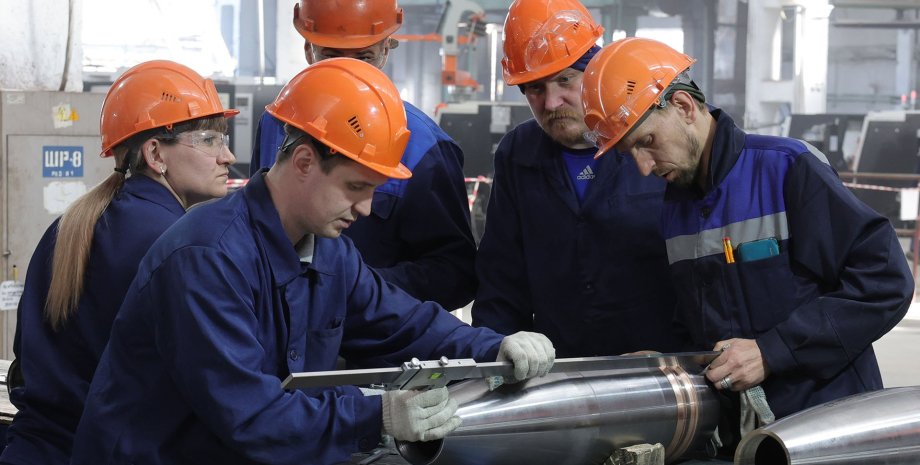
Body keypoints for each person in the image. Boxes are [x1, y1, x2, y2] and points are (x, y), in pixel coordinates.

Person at [70, 58, 554, 465]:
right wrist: (379, 416)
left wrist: (496, 347)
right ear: (303, 162)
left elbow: (405, 325)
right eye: (356, 187)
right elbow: (252, 416)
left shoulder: (330, 252)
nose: (365, 209)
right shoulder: (207, 258)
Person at [581, 37, 912, 459]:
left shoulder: (787, 168)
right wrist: (672, 360)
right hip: (747, 442)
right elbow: (704, 327)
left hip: (828, 431)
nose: (643, 167)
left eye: (645, 142)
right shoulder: (677, 207)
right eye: (631, 155)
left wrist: (772, 352)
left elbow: (885, 282)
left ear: (683, 107)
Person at [0, 60, 238, 465]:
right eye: (209, 139)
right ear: (155, 153)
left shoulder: (69, 226)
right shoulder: (176, 245)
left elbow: (27, 357)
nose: (228, 156)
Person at [472, 0, 681, 358]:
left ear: (595, 70)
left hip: (663, 365)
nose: (551, 102)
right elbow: (501, 278)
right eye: (535, 88)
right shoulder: (518, 154)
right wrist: (495, 359)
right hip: (560, 369)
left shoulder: (655, 138)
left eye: (565, 79)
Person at [249, 0, 476, 310]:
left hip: (373, 347)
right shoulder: (276, 122)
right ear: (307, 50)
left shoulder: (424, 147)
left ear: (386, 49)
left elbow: (455, 274)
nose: (348, 73)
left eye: (363, 57)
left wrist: (349, 291)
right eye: (331, 56)